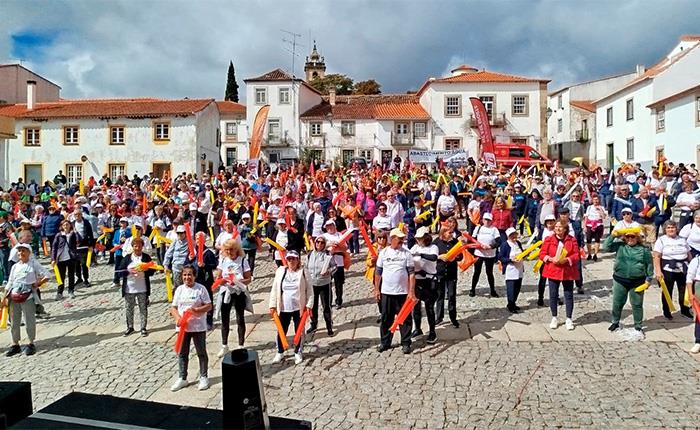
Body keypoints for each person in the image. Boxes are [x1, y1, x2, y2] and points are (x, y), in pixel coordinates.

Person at [170, 265, 212, 392]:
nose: (187, 277)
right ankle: (182, 377)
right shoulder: (179, 290)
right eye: (185, 275)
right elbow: (173, 307)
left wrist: (196, 310)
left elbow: (209, 306)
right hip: (183, 327)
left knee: (201, 352)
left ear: (194, 276)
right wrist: (177, 318)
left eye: (189, 275)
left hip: (198, 326)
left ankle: (203, 376)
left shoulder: (201, 289)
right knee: (182, 353)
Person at [603, 228, 654, 332]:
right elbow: (606, 247)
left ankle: (638, 325)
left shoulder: (644, 250)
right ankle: (615, 322)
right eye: (627, 236)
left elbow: (649, 265)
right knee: (617, 302)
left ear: (637, 237)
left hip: (637, 281)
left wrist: (649, 279)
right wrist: (612, 236)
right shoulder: (620, 246)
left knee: (637, 304)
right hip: (620, 279)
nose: (630, 239)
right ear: (624, 238)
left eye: (632, 236)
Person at [374, 228, 416, 354]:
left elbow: (411, 274)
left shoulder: (406, 253)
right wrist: (377, 289)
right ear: (392, 239)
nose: (402, 240)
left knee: (405, 318)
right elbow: (378, 272)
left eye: (403, 238)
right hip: (387, 291)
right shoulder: (384, 253)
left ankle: (406, 342)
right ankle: (385, 342)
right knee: (386, 318)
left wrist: (411, 291)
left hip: (402, 292)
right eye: (399, 238)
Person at [3, 244, 48, 356]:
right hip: (14, 295)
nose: (21, 253)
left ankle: (30, 343)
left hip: (27, 296)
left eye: (23, 251)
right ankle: (15, 344)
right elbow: (10, 281)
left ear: (29, 252)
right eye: (19, 251)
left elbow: (47, 274)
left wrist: (38, 283)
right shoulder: (15, 266)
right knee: (14, 321)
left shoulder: (33, 264)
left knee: (29, 320)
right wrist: (4, 297)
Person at [269, 250, 313, 365]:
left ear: (298, 260)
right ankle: (280, 351)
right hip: (283, 307)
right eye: (289, 259)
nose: (291, 261)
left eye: (294, 258)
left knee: (299, 331)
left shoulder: (303, 272)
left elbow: (309, 290)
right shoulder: (280, 271)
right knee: (281, 330)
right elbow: (275, 289)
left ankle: (298, 351)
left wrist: (309, 305)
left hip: (298, 307)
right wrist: (272, 305)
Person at [539, 220, 580, 330]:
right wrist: (550, 259)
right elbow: (542, 254)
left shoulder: (571, 240)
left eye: (560, 227)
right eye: (556, 226)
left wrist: (567, 259)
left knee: (568, 295)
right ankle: (554, 317)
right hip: (553, 270)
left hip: (567, 271)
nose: (557, 228)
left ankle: (569, 318)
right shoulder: (549, 239)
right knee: (553, 294)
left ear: (565, 229)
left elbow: (576, 255)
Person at [215, 239, 252, 357]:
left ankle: (241, 345)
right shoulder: (223, 260)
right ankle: (224, 345)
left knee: (240, 318)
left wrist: (237, 281)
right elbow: (218, 277)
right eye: (227, 250)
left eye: (231, 249)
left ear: (236, 249)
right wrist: (221, 281)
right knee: (224, 319)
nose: (229, 252)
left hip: (238, 292)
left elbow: (248, 279)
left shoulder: (242, 261)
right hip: (226, 291)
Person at [654, 221, 693, 320]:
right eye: (668, 228)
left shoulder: (682, 240)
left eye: (673, 227)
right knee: (667, 291)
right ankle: (667, 311)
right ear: (665, 229)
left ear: (676, 229)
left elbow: (689, 254)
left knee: (684, 291)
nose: (671, 230)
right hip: (668, 269)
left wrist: (692, 267)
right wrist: (658, 271)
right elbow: (657, 256)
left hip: (683, 268)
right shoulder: (661, 240)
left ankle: (684, 310)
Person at [119, 237, 156, 336]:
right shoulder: (127, 258)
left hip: (142, 287)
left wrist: (146, 269)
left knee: (143, 308)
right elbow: (119, 272)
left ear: (142, 247)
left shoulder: (146, 257)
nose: (137, 248)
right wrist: (128, 271)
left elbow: (152, 271)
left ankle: (143, 327)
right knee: (129, 308)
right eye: (135, 246)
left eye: (139, 246)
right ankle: (130, 327)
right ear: (132, 247)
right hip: (129, 288)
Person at [410, 227, 439, 344]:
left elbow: (434, 257)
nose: (418, 240)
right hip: (417, 280)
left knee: (429, 308)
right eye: (417, 238)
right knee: (416, 307)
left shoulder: (433, 247)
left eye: (420, 238)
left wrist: (421, 254)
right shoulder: (414, 247)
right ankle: (418, 328)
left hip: (429, 280)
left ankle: (432, 332)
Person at [306, 235, 335, 335]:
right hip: (312, 284)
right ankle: (313, 324)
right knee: (313, 306)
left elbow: (334, 267)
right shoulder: (310, 254)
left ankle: (329, 326)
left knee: (326, 306)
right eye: (318, 242)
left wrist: (329, 272)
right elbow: (306, 268)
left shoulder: (327, 254)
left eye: (322, 242)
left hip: (324, 284)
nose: (319, 244)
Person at [434, 227, 460, 327]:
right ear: (443, 233)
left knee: (452, 295)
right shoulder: (436, 242)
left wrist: (455, 257)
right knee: (440, 295)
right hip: (440, 272)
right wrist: (440, 257)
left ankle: (453, 317)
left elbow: (461, 255)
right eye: (450, 232)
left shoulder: (455, 242)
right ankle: (439, 317)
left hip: (451, 272)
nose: (451, 234)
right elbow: (431, 256)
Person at [470, 212, 501, 297]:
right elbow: (472, 239)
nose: (487, 221)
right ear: (482, 220)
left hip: (490, 254)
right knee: (476, 272)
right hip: (479, 253)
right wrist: (478, 246)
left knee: (489, 272)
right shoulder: (478, 228)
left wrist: (490, 246)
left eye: (489, 220)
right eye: (485, 219)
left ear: (491, 221)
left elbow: (499, 242)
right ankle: (472, 289)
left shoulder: (494, 229)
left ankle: (492, 290)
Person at [498, 227, 524, 313]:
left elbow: (522, 252)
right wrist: (510, 260)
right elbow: (501, 257)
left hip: (519, 268)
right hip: (511, 269)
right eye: (511, 235)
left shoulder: (518, 243)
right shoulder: (505, 245)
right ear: (508, 236)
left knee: (517, 287)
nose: (513, 236)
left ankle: (513, 303)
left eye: (514, 234)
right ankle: (510, 304)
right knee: (511, 288)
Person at [322, 220, 347, 308]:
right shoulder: (324, 236)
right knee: (327, 282)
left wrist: (339, 245)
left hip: (338, 261)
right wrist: (328, 244)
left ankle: (339, 300)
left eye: (331, 226)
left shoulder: (339, 235)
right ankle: (328, 301)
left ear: (334, 226)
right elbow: (319, 247)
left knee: (338, 283)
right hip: (327, 262)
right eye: (328, 226)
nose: (330, 228)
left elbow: (345, 248)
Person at [51, 220, 79, 299]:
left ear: (70, 225)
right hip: (61, 258)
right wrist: (53, 258)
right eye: (64, 225)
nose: (66, 226)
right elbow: (54, 247)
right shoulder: (59, 235)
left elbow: (79, 240)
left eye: (67, 224)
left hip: (71, 257)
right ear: (62, 226)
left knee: (71, 275)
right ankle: (60, 292)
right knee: (61, 276)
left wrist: (75, 233)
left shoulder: (73, 234)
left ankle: (71, 291)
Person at [584, 194, 607, 261]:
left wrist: (600, 210)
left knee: (597, 240)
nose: (596, 201)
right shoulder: (589, 207)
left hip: (598, 224)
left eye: (597, 199)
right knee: (589, 240)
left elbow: (603, 217)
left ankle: (595, 254)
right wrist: (585, 226)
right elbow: (586, 216)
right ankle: (589, 254)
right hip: (590, 224)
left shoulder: (601, 207)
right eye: (594, 199)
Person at [685, 254, 700, 353]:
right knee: (699, 316)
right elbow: (689, 278)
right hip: (699, 286)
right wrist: (691, 294)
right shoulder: (697, 260)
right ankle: (698, 341)